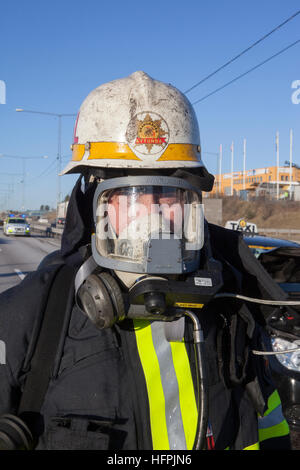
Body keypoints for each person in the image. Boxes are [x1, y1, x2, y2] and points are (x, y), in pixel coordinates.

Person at [0, 71, 291, 450]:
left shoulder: (231, 306)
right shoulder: (30, 317)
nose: (152, 219)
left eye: (169, 195)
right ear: (93, 204)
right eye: (130, 196)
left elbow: (268, 427)